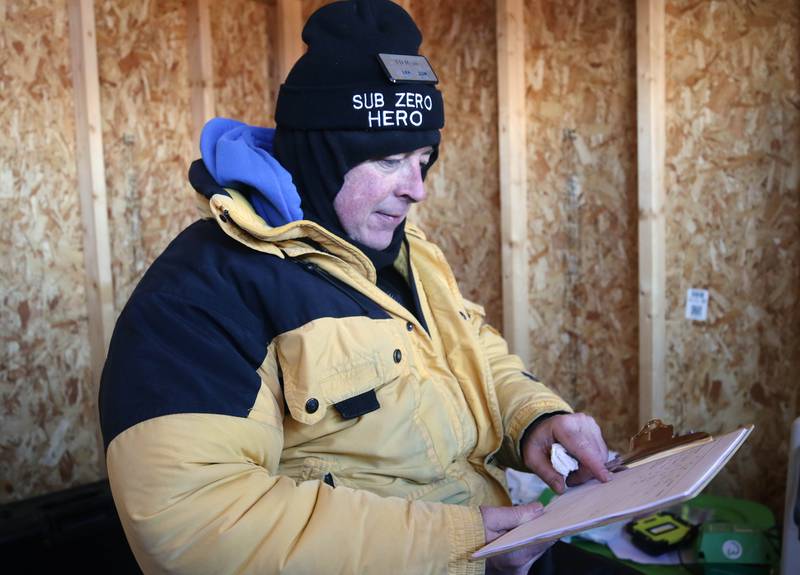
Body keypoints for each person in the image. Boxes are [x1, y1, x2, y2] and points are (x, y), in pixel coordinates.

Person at [99, 1, 625, 573]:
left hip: (492, 550)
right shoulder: (204, 292)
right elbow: (195, 526)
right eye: (391, 158)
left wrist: (534, 419)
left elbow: (469, 352)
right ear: (320, 160)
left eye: (423, 157)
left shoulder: (403, 250)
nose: (416, 188)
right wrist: (450, 540)